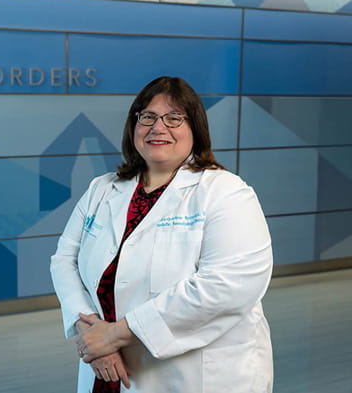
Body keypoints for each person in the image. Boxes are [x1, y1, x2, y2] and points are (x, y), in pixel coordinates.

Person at [50, 76, 273, 393]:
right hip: (106, 368)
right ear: (134, 126)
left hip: (196, 377)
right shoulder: (102, 189)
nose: (158, 128)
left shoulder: (226, 193)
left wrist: (115, 335)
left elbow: (227, 285)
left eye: (174, 118)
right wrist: (92, 335)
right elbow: (64, 261)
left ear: (194, 127)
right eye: (148, 117)